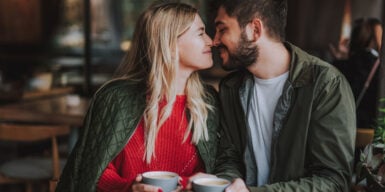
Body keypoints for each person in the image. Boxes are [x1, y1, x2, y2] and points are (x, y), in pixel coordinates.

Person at [56, 2, 220, 192]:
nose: (211, 41)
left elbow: (220, 168)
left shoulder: (209, 101)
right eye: (200, 33)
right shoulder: (116, 98)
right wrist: (129, 188)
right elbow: (92, 172)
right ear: (170, 43)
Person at [211, 0, 356, 191]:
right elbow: (229, 158)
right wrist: (226, 185)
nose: (214, 40)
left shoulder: (326, 85)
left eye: (222, 30)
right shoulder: (231, 87)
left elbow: (333, 181)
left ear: (255, 30)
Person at [345, 18, 382, 128]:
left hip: (348, 123)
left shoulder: (347, 62)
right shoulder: (377, 65)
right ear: (374, 38)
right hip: (371, 125)